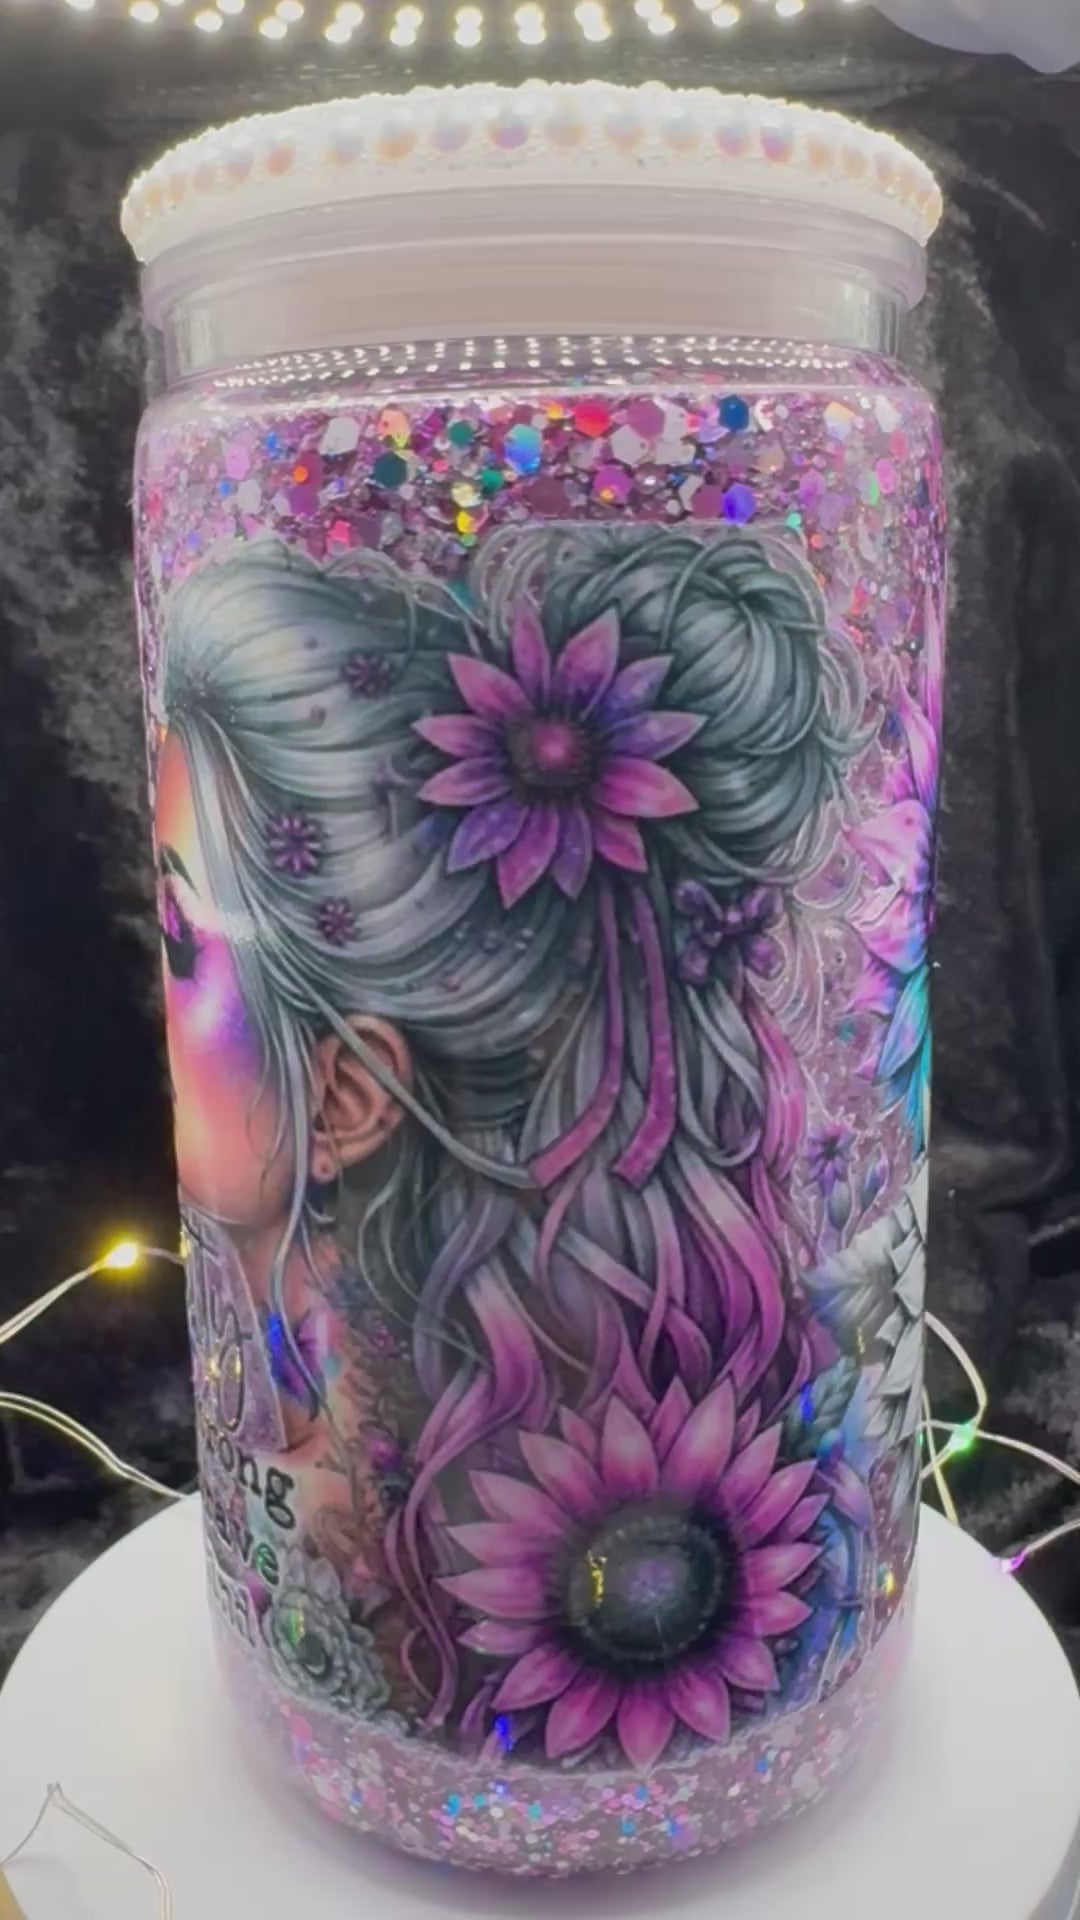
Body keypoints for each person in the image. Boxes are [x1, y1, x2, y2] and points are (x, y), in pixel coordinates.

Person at [153, 522, 870, 1761]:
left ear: (350, 1095)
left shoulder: (381, 1537)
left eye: (182, 940)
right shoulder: (317, 1444)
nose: (158, 1000)